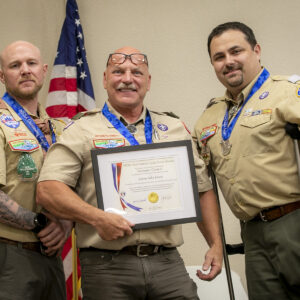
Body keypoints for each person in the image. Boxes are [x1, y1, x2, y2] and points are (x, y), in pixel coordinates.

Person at [36, 46, 223, 300]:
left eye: (136, 72)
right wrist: (97, 218)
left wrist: (215, 243)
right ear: (104, 79)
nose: (127, 78)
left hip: (167, 263)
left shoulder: (174, 128)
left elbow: (201, 188)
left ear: (148, 81)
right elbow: (48, 189)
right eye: (118, 71)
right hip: (107, 267)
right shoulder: (80, 129)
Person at [193, 21, 300, 300]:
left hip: (293, 221)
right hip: (252, 233)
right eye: (219, 57)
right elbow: (197, 177)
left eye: (235, 51)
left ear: (256, 50)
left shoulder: (288, 92)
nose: (228, 62)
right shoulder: (209, 116)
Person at [0, 41, 72, 300]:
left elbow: (80, 187)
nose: (24, 70)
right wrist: (39, 223)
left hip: (50, 255)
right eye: (15, 65)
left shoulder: (60, 129)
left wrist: (66, 222)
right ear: (2, 75)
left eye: (31, 63)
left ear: (43, 70)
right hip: (10, 255)